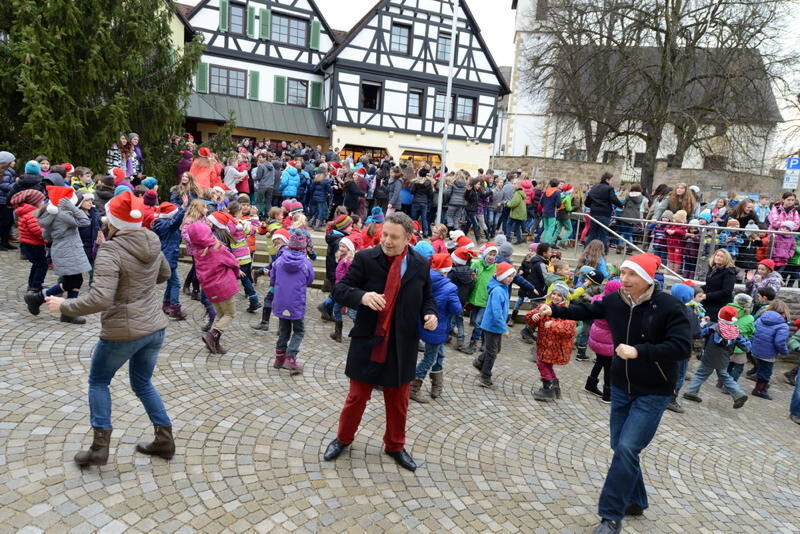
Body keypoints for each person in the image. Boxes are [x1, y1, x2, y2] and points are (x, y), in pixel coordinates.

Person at [530, 253, 691, 534]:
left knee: (628, 447)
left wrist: (640, 351)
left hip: (653, 391)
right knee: (622, 448)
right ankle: (637, 500)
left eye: (632, 274)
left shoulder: (669, 306)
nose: (624, 279)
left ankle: (610, 516)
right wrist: (553, 310)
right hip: (620, 387)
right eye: (623, 273)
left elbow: (681, 347)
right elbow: (586, 311)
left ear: (647, 279)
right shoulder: (616, 301)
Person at [43, 190, 175, 466]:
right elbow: (164, 274)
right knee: (142, 383)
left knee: (98, 382)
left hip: (123, 331)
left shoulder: (111, 250)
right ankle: (165, 439)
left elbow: (101, 298)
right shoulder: (151, 238)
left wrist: (64, 306)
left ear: (112, 221)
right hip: (153, 327)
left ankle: (99, 448)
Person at [323, 212, 437, 472]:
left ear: (408, 238)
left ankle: (395, 445)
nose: (386, 240)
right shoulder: (365, 258)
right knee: (356, 398)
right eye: (384, 234)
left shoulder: (420, 263)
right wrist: (362, 297)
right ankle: (343, 439)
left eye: (394, 237)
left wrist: (431, 313)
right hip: (369, 340)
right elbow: (340, 289)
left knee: (398, 402)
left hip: (403, 343)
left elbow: (427, 297)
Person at [24, 186, 91, 323]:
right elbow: (85, 221)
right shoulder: (63, 214)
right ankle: (39, 297)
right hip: (69, 250)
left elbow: (45, 235)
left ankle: (68, 312)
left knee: (73, 280)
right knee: (73, 281)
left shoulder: (51, 214)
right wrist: (72, 208)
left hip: (61, 249)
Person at [184, 219, 243, 355]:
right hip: (224, 287)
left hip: (210, 289)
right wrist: (236, 273)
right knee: (229, 314)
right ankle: (212, 335)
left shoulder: (197, 252)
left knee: (220, 314)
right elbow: (233, 263)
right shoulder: (218, 249)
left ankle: (214, 343)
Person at [412, 253, 462, 403]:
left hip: (421, 323)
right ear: (446, 271)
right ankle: (413, 386)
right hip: (437, 327)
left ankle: (436, 385)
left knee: (439, 355)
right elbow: (456, 309)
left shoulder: (423, 278)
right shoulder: (449, 287)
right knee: (429, 358)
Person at [681, 306, 751, 409]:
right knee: (725, 376)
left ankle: (690, 391)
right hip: (724, 358)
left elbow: (700, 334)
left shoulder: (714, 327)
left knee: (701, 373)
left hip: (709, 356)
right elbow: (746, 347)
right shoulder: (736, 332)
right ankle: (738, 394)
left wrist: (702, 324)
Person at [271, 229, 315, 374]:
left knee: (284, 330)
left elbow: (272, 279)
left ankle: (279, 359)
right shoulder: (306, 264)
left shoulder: (279, 261)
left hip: (281, 301)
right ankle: (290, 358)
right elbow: (310, 280)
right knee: (299, 330)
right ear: (303, 248)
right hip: (296, 302)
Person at [525, 282, 577, 401]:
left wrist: (553, 324)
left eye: (559, 295)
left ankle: (548, 388)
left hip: (556, 346)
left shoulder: (567, 310)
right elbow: (529, 318)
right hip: (544, 343)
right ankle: (554, 386)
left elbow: (569, 328)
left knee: (541, 363)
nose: (555, 297)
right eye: (554, 294)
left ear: (564, 297)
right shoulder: (545, 306)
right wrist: (534, 316)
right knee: (545, 364)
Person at [472, 262, 516, 388]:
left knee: (496, 349)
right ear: (501, 276)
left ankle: (479, 362)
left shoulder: (503, 287)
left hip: (495, 325)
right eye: (508, 276)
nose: (511, 279)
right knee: (492, 352)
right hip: (492, 326)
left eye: (512, 276)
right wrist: (504, 328)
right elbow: (496, 312)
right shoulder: (497, 290)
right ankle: (485, 377)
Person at [585, 280, 623, 403]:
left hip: (596, 335)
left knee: (600, 361)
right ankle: (608, 394)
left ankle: (590, 384)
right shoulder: (613, 306)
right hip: (607, 339)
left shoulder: (598, 299)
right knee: (609, 367)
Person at [151, 201, 187, 319]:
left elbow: (175, 232)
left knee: (171, 282)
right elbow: (175, 223)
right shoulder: (165, 225)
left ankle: (167, 303)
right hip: (168, 257)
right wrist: (182, 208)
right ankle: (175, 308)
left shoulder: (165, 225)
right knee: (176, 283)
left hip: (170, 256)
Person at [750, 299, 790, 400]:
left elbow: (753, 332)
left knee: (761, 368)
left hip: (755, 350)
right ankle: (759, 390)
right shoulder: (783, 325)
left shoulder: (760, 318)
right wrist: (784, 352)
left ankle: (760, 385)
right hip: (768, 354)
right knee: (766, 373)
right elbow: (779, 342)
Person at [584, 173, 622, 251]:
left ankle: (586, 249)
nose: (612, 182)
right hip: (604, 214)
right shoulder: (609, 188)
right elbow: (613, 199)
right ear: (607, 180)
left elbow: (587, 202)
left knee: (592, 233)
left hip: (594, 214)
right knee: (603, 233)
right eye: (611, 180)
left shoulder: (594, 188)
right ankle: (604, 250)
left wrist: (593, 206)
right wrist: (621, 205)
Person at [703, 249, 737, 321]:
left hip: (719, 304)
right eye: (717, 255)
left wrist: (707, 296)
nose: (718, 257)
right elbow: (709, 285)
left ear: (726, 259)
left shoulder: (729, 272)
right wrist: (697, 289)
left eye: (721, 256)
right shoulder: (712, 268)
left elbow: (727, 291)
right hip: (709, 301)